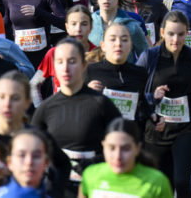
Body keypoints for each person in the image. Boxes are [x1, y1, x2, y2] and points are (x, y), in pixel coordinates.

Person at [137, 11, 191, 198]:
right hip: (157, 129)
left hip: (187, 128)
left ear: (187, 33)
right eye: (171, 34)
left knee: (182, 181)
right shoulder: (149, 56)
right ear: (162, 32)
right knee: (162, 184)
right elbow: (135, 90)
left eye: (181, 34)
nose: (176, 39)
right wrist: (152, 96)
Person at [32, 38, 123, 191]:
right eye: (60, 62)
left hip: (94, 187)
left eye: (72, 61)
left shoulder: (102, 104)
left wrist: (95, 161)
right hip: (57, 190)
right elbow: (33, 151)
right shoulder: (46, 108)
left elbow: (122, 145)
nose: (65, 68)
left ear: (84, 65)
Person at [79, 118, 172, 198]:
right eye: (111, 148)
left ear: (137, 148)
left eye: (126, 149)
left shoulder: (158, 182)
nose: (118, 156)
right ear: (103, 146)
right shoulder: (90, 175)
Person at [87, 21, 151, 125]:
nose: (118, 44)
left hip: (130, 133)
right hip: (100, 133)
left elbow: (145, 107)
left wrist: (154, 116)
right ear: (103, 46)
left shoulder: (141, 74)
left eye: (124, 40)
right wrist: (87, 93)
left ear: (130, 45)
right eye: (112, 39)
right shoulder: (89, 72)